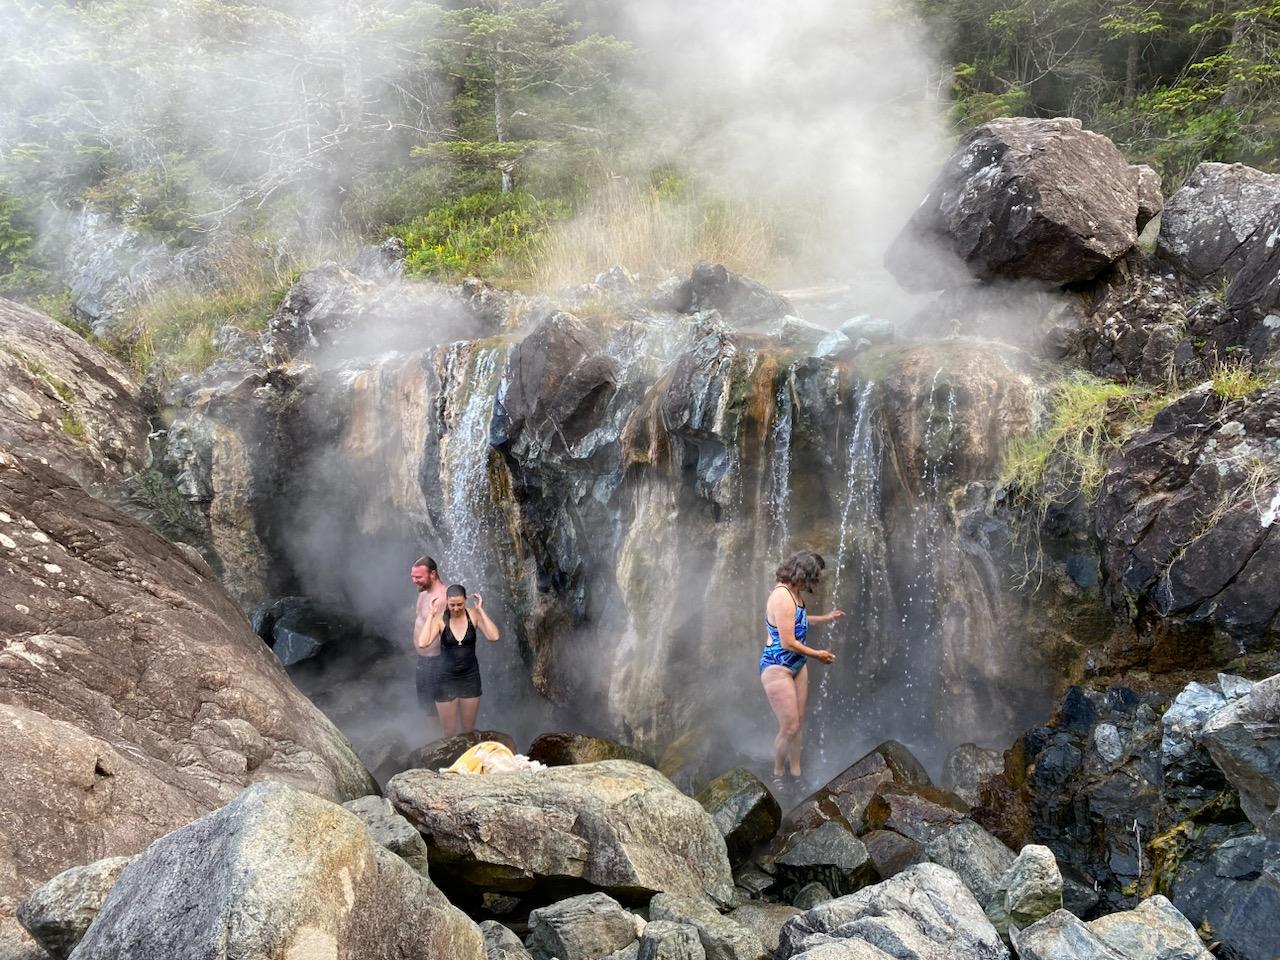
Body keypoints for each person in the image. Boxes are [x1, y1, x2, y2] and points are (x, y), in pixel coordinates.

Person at [759, 550, 844, 789]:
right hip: (778, 668)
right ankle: (777, 774)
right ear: (803, 574)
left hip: (797, 665)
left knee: (799, 721)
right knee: (789, 726)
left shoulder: (794, 593)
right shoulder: (781, 596)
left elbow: (798, 619)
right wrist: (818, 654)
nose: (814, 583)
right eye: (813, 577)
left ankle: (796, 772)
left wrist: (825, 618)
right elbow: (787, 641)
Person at [417, 583, 500, 735]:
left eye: (459, 604)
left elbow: (493, 636)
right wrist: (431, 615)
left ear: (466, 600)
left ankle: (468, 759)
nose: (455, 609)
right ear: (447, 602)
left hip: (470, 678)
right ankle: (453, 760)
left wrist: (480, 610)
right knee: (449, 733)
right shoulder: (440, 619)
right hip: (445, 679)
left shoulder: (473, 615)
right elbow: (423, 643)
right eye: (452, 605)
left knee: (468, 732)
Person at [410, 556, 447, 727]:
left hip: (436, 662)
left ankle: (444, 744)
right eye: (413, 576)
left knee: (436, 709)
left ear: (433, 574)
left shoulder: (442, 598)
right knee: (426, 707)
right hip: (423, 660)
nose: (414, 581)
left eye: (418, 577)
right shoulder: (424, 592)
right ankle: (435, 743)